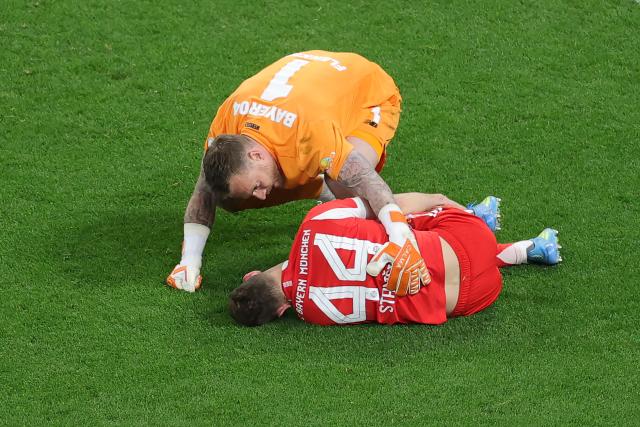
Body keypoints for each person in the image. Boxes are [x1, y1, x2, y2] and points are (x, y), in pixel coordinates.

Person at [168, 50, 439, 293]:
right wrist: (189, 262)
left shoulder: (309, 132)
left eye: (257, 186)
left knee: (346, 188)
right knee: (227, 196)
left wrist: (400, 235)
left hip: (367, 95)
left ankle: (422, 224)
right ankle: (319, 188)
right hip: (309, 84)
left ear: (256, 154)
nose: (262, 197)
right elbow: (204, 190)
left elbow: (368, 181)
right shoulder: (225, 131)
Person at [228, 193, 562, 326]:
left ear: (283, 310)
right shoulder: (313, 223)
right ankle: (476, 215)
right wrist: (443, 203)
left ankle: (525, 251)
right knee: (392, 223)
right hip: (465, 240)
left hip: (473, 299)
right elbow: (384, 201)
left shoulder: (314, 316)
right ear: (251, 274)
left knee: (393, 245)